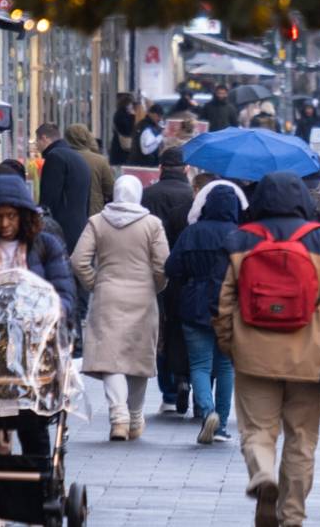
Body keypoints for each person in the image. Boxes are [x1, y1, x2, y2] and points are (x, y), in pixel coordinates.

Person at [214, 171, 320, 527]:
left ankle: (262, 475)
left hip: (254, 354)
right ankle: (292, 515)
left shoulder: (240, 240)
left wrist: (230, 344)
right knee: (302, 440)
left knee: (257, 430)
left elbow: (224, 303)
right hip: (310, 357)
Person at [0, 174, 76, 460]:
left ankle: (40, 484)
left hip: (35, 353)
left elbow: (65, 294)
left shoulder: (46, 245)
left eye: (11, 216)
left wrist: (50, 314)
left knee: (32, 423)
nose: (4, 224)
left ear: (23, 216)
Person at [70, 175, 169, 441]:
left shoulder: (98, 222)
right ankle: (135, 417)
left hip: (107, 295)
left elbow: (79, 260)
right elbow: (163, 264)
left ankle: (119, 418)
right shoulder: (152, 224)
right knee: (138, 358)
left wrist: (96, 283)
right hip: (143, 297)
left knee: (111, 358)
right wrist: (155, 286)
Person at [165, 184, 240, 444]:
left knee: (199, 364)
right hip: (230, 308)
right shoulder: (240, 236)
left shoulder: (192, 233)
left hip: (194, 304)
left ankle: (208, 412)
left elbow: (172, 267)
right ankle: (221, 423)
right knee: (226, 365)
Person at [141, 145, 195, 413]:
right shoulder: (192, 196)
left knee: (162, 330)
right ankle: (189, 378)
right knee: (188, 329)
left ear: (161, 168)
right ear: (186, 169)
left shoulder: (148, 195)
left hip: (156, 272)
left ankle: (169, 392)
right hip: (188, 272)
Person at [35, 123, 92, 254]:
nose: (37, 146)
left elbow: (48, 198)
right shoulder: (77, 158)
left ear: (44, 138)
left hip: (61, 230)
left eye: (37, 141)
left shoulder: (55, 157)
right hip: (79, 228)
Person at [64, 123, 115, 216]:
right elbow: (110, 189)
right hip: (94, 211)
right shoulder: (100, 160)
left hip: (68, 211)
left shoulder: (63, 158)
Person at [128, 102, 165, 167]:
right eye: (158, 116)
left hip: (138, 162)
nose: (160, 119)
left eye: (161, 116)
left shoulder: (143, 125)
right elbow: (145, 150)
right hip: (144, 164)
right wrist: (159, 138)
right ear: (151, 114)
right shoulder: (146, 127)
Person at [109, 92, 136, 166]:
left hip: (119, 146)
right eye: (131, 104)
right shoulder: (122, 115)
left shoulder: (119, 113)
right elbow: (127, 129)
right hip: (121, 146)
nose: (132, 106)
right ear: (126, 104)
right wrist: (132, 117)